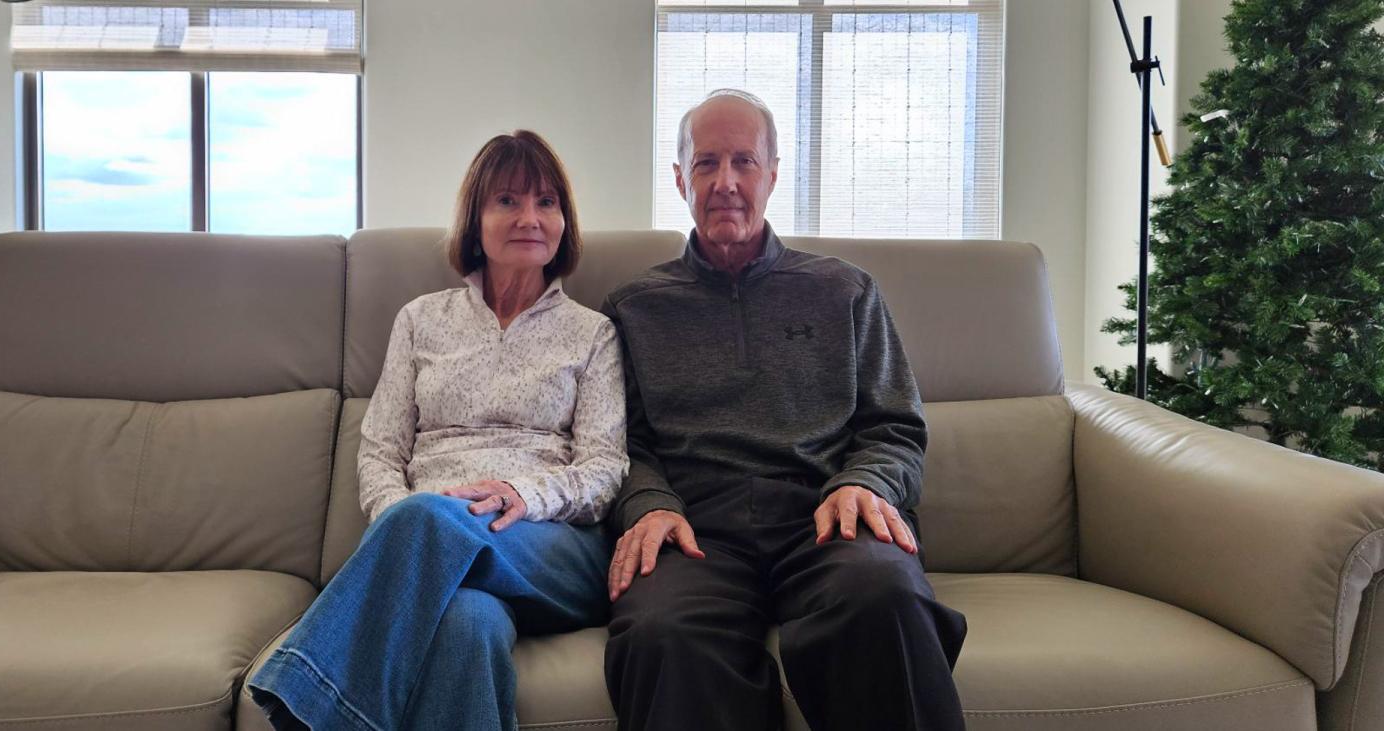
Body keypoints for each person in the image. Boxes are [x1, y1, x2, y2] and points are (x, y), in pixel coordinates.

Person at [601, 89, 967, 731]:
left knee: (886, 597)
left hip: (826, 520)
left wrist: (865, 482)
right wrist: (649, 504)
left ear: (772, 174)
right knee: (662, 632)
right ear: (681, 179)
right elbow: (617, 444)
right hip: (695, 531)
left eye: (744, 161)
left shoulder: (845, 289)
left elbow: (895, 425)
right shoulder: (633, 307)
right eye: (707, 163)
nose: (726, 182)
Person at [249, 130, 628, 731]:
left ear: (565, 221)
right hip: (433, 545)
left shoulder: (593, 333)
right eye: (507, 200)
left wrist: (523, 495)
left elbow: (606, 468)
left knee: (429, 520)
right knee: (466, 623)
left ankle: (307, 706)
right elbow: (380, 451)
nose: (530, 218)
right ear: (475, 219)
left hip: (550, 547)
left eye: (546, 202)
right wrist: (403, 522)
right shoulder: (421, 320)